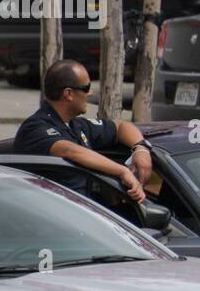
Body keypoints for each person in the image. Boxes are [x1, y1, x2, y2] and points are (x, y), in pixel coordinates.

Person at [13, 59, 150, 202]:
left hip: (84, 213)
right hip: (54, 215)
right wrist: (122, 171)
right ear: (68, 94)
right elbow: (69, 150)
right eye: (86, 88)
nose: (90, 93)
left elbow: (120, 127)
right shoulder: (35, 127)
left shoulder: (76, 125)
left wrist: (141, 149)